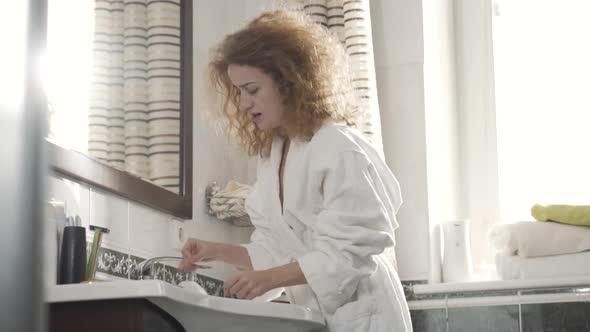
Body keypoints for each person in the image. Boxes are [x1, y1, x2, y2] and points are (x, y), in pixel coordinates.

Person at [178, 9, 412, 332]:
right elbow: (276, 248)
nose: (244, 104)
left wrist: (268, 278)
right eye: (239, 92)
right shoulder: (274, 155)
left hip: (368, 317)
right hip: (325, 320)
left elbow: (349, 252)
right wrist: (216, 251)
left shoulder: (337, 146)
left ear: (288, 82)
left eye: (252, 89)